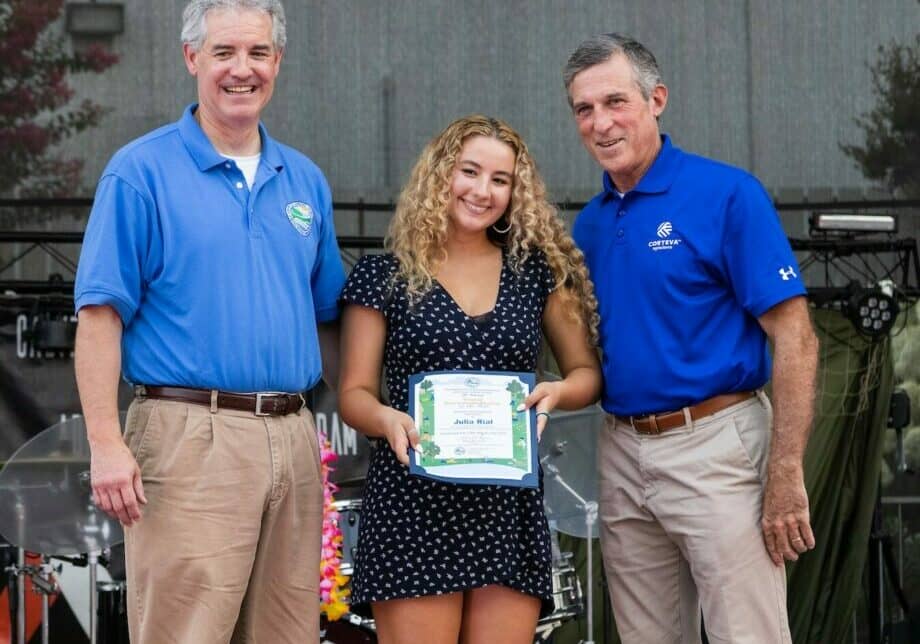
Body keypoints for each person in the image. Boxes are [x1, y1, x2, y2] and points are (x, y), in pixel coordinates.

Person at [73, 1, 346, 642]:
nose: (241, 69)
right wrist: (106, 445)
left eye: (256, 53)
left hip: (293, 433)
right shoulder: (140, 172)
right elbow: (99, 317)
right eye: (223, 52)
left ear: (277, 61)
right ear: (192, 58)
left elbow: (332, 318)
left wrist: (382, 409)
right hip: (189, 435)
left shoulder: (304, 179)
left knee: (287, 633)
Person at [564, 33, 819, 644]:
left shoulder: (726, 195)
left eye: (615, 102)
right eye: (584, 109)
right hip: (622, 450)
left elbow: (797, 339)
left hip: (718, 445)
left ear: (657, 99)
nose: (601, 123)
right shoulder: (590, 223)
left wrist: (785, 470)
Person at [338, 115, 601, 644]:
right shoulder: (383, 276)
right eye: (470, 172)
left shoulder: (536, 274)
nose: (483, 191)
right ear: (440, 176)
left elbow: (587, 373)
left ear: (515, 192)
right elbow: (353, 394)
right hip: (413, 502)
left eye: (500, 180)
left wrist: (558, 392)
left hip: (506, 509)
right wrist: (385, 418)